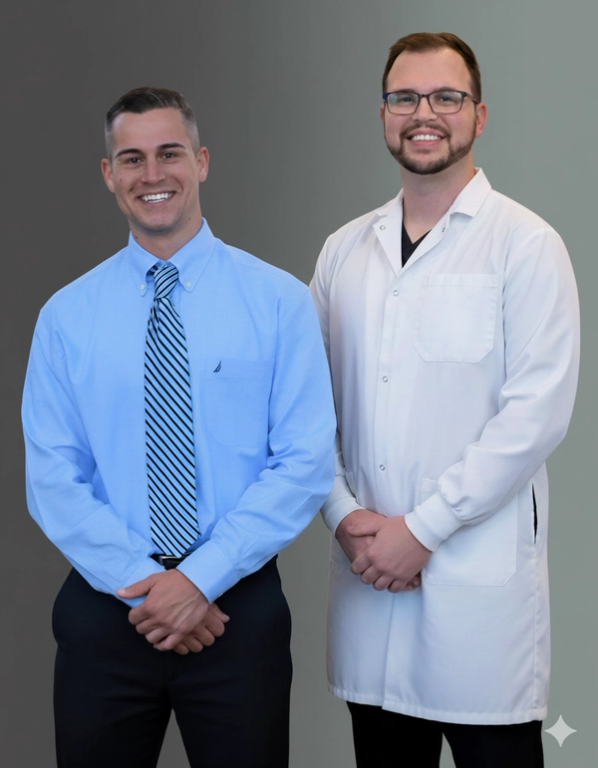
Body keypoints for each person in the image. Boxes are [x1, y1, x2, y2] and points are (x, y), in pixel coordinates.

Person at [22, 86, 336, 768]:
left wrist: (199, 581)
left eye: (169, 154)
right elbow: (53, 477)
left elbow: (305, 459)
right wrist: (147, 584)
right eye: (131, 159)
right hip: (107, 612)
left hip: (236, 610)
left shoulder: (277, 301)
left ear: (201, 161)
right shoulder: (66, 316)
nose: (152, 174)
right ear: (110, 175)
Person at [310, 32, 579, 768]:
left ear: (479, 115)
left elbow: (535, 415)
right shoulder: (343, 252)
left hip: (475, 596)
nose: (423, 113)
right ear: (383, 113)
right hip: (368, 575)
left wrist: (421, 530)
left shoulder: (525, 246)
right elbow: (307, 405)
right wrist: (343, 515)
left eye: (446, 97)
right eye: (404, 97)